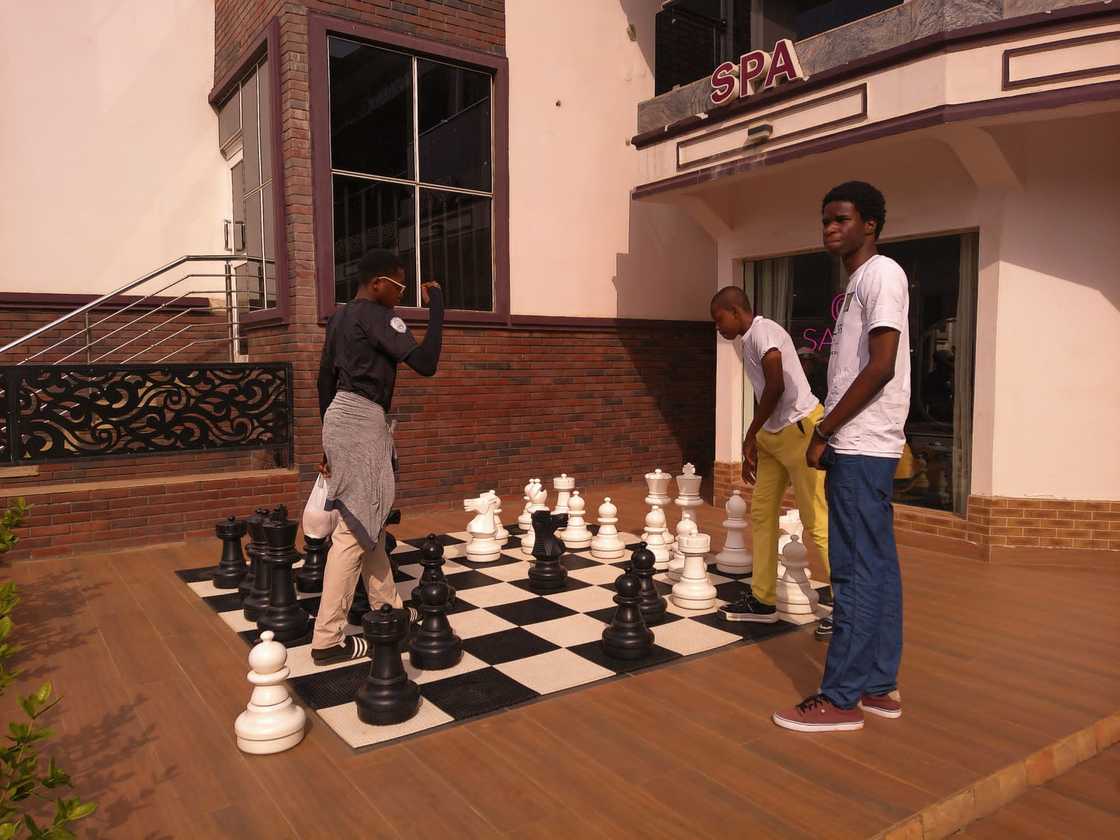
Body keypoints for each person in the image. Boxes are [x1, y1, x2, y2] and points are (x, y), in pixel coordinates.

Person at [772, 181, 910, 732]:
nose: (830, 228)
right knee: (877, 569)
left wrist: (825, 430)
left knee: (854, 575)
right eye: (825, 219)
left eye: (842, 219)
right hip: (863, 442)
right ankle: (878, 687)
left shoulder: (881, 275)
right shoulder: (860, 282)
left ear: (871, 223)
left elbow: (882, 365)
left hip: (858, 445)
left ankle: (841, 698)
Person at [310, 249, 444, 665]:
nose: (400, 295)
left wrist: (327, 444)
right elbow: (426, 363)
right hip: (363, 418)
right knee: (352, 531)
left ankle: (391, 613)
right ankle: (327, 640)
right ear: (378, 283)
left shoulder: (340, 317)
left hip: (338, 418)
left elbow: (323, 379)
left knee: (365, 519)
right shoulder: (378, 315)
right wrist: (438, 307)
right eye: (399, 286)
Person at [710, 287, 830, 627]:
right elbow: (767, 393)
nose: (718, 328)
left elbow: (775, 386)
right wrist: (758, 443)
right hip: (776, 435)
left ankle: (851, 606)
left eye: (719, 320)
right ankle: (763, 600)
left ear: (735, 311)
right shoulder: (748, 340)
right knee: (762, 514)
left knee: (816, 520)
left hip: (801, 431)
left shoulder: (764, 331)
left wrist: (750, 434)